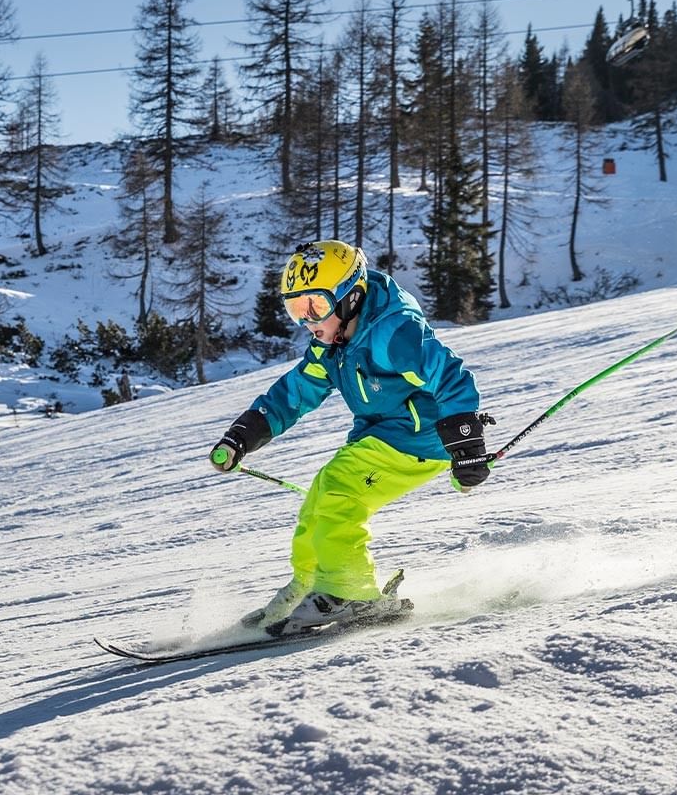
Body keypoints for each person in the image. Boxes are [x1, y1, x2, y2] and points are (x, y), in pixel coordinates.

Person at [209, 240, 489, 636]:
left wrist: (466, 444)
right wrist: (245, 433)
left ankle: (348, 590)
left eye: (315, 307)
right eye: (296, 309)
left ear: (350, 296)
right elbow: (296, 392)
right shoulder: (332, 343)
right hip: (380, 435)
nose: (308, 322)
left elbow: (450, 376)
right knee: (319, 498)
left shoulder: (393, 331)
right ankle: (310, 585)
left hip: (418, 437)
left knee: (340, 492)